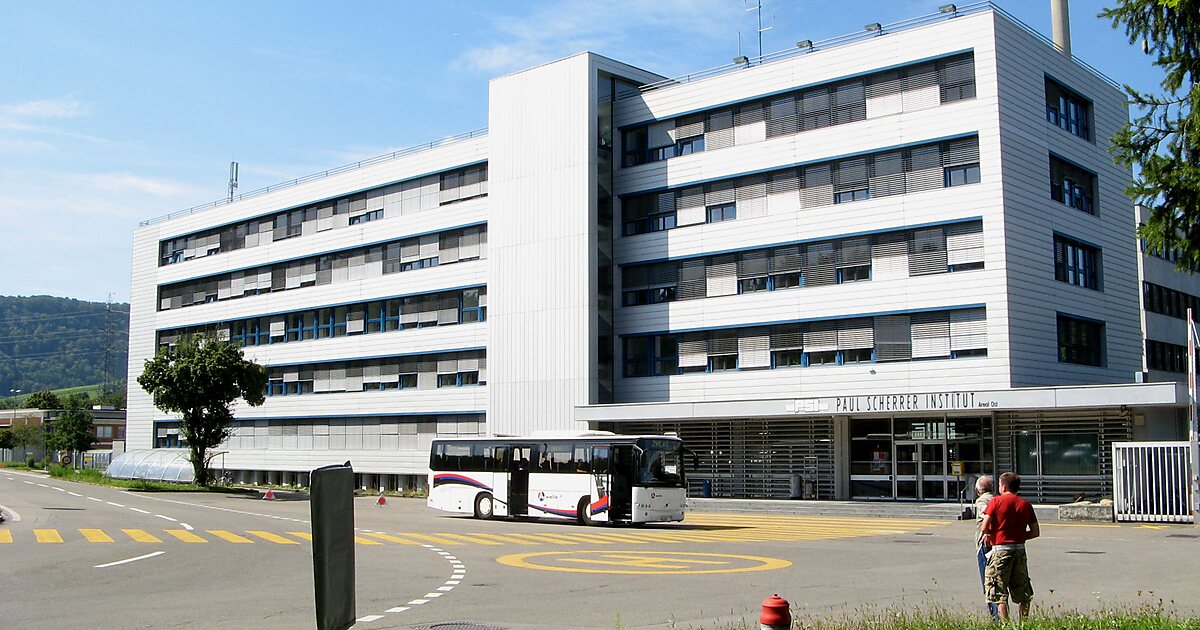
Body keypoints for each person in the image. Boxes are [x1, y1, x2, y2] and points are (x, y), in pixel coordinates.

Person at [980, 472, 1040, 623]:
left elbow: (984, 526)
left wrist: (989, 534)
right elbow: (1035, 532)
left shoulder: (996, 502)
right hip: (1019, 550)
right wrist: (1019, 536)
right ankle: (1024, 622)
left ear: (1004, 486)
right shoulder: (1025, 504)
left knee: (998, 590)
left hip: (1000, 551)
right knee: (1023, 589)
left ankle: (1005, 624)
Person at [973, 475, 999, 620]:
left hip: (985, 546)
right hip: (999, 545)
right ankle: (1000, 614)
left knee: (988, 583)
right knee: (998, 582)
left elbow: (987, 515)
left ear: (978, 491)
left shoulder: (982, 500)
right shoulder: (996, 499)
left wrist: (987, 532)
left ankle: (995, 617)